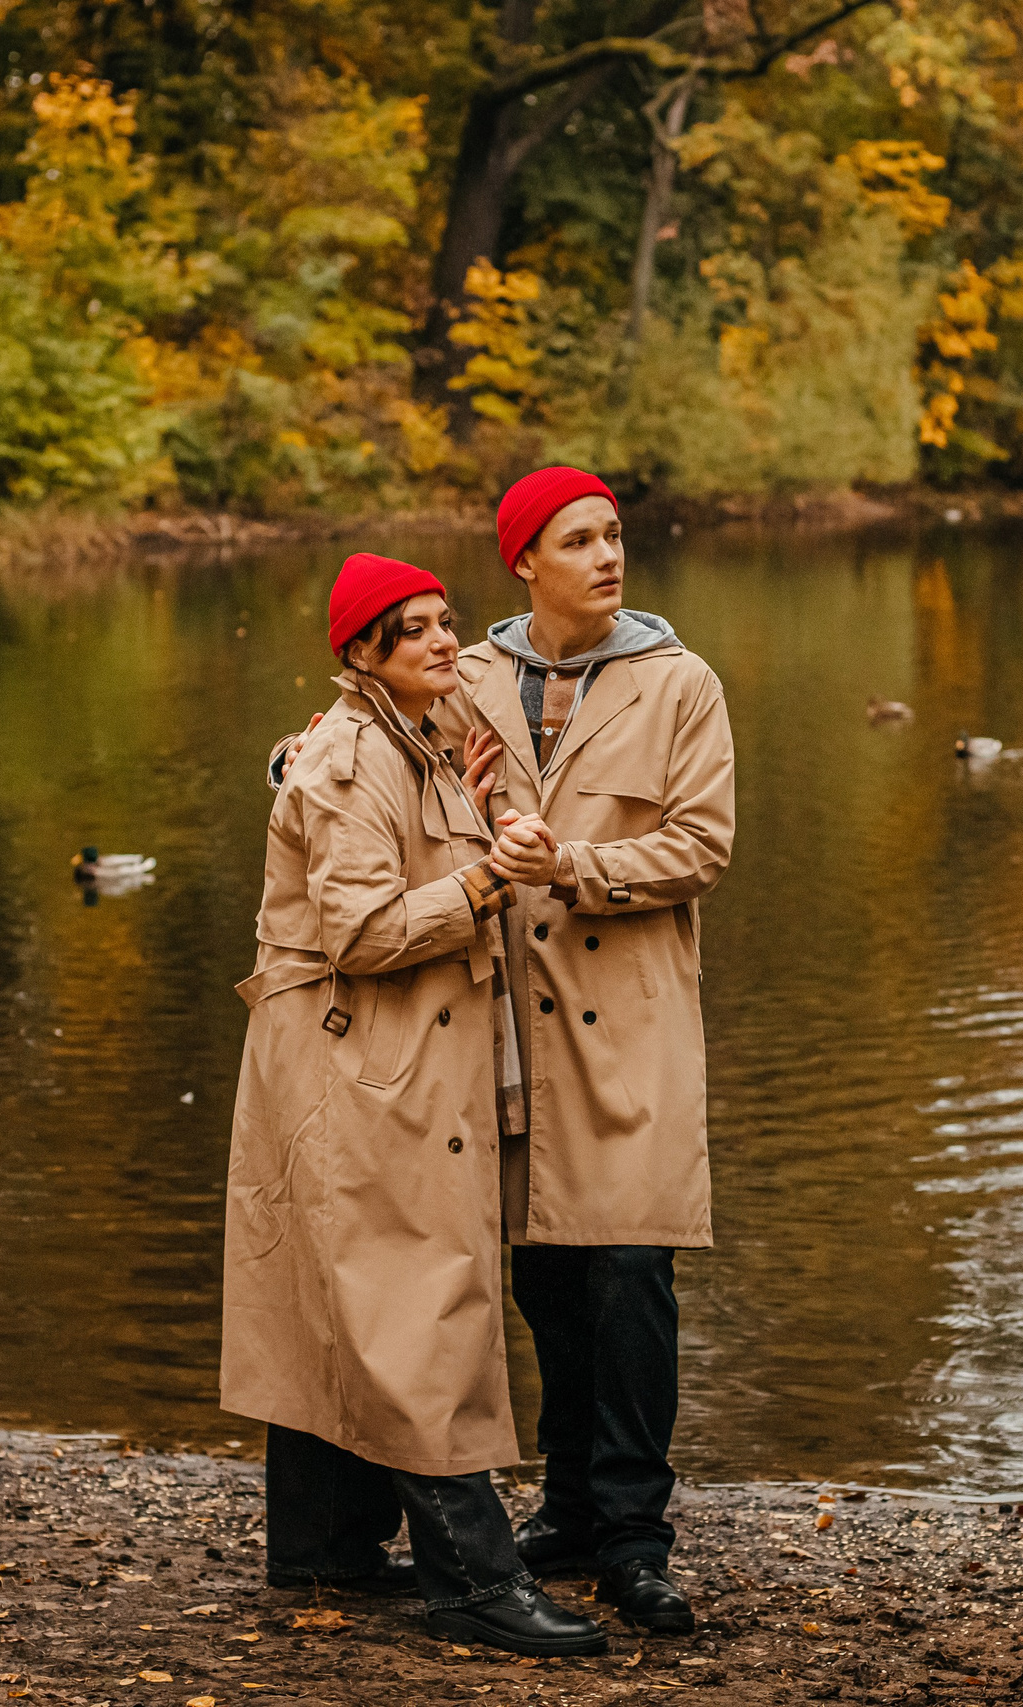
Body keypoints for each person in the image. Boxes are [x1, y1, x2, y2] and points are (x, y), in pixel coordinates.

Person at [270, 470, 737, 1635]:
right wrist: (292, 763)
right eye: (579, 539)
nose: (608, 556)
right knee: (534, 1281)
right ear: (524, 560)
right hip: (493, 1039)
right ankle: (569, 1511)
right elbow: (351, 740)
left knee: (631, 1281)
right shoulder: (464, 672)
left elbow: (701, 849)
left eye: (614, 536)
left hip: (628, 1031)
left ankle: (634, 1543)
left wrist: (567, 865)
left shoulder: (681, 685)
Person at [222, 552, 607, 1659]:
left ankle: (324, 1547)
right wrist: (492, 878)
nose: (446, 642)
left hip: (372, 1061)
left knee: (339, 1297)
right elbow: (362, 931)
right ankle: (472, 1579)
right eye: (416, 631)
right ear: (362, 655)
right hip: (354, 1066)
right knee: (412, 1304)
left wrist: (481, 816)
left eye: (445, 622)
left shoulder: (415, 742)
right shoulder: (349, 756)